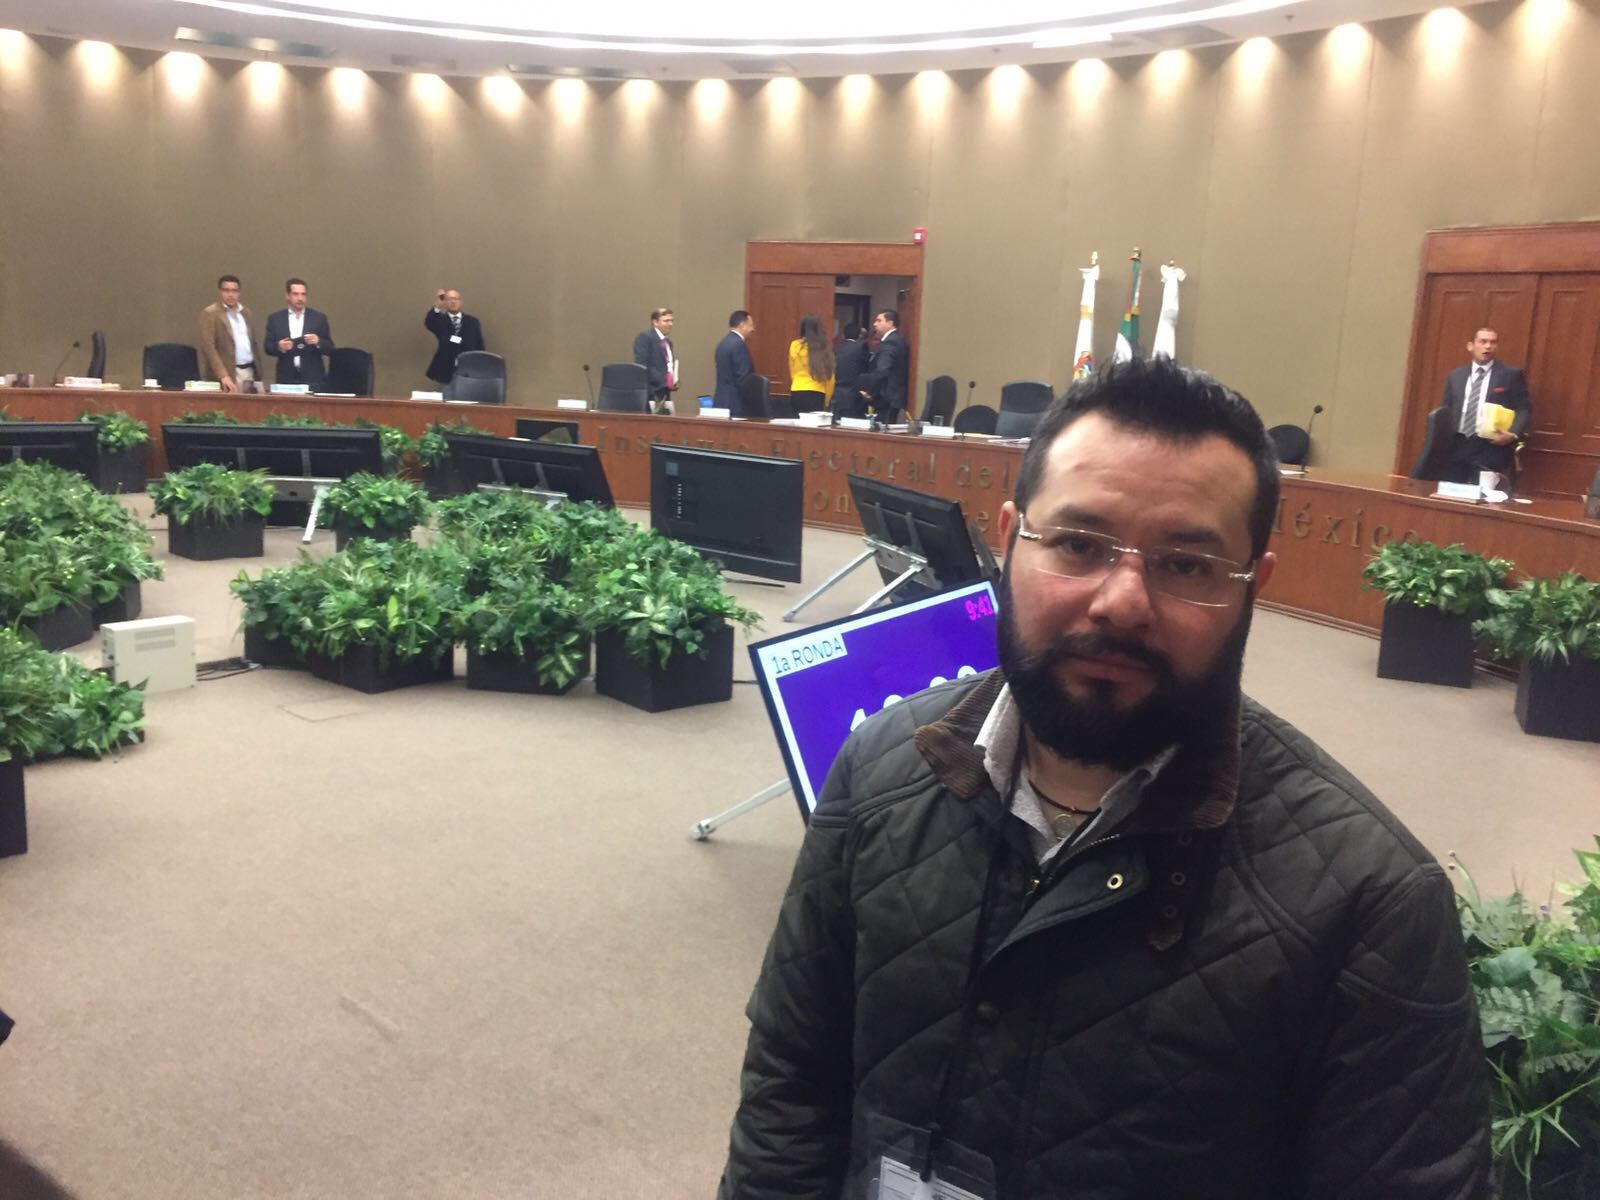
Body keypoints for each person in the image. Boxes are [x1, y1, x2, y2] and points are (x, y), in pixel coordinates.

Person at [718, 356, 1488, 1200]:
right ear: (1009, 539)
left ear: (1252, 591)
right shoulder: (879, 765)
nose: (1122, 601)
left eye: (1188, 566)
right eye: (1079, 545)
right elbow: (794, 1082)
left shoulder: (1372, 904)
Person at [1439, 326, 1532, 485]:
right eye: (1483, 341)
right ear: (1471, 346)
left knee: (1484, 495)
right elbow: (1445, 408)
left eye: (1492, 342)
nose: (1487, 346)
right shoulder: (1456, 375)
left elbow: (1524, 408)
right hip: (1457, 444)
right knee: (1451, 493)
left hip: (1489, 446)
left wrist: (1512, 434)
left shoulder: (1510, 375)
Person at [261, 278, 335, 389]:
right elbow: (268, 347)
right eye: (295, 294)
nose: (300, 298)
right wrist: (279, 346)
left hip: (313, 377)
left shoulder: (319, 318)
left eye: (303, 294)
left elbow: (330, 348)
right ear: (287, 296)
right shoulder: (275, 319)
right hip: (286, 376)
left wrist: (318, 341)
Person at [197, 275, 259, 393]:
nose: (230, 294)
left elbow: (253, 343)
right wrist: (223, 375)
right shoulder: (211, 313)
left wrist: (258, 373)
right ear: (220, 292)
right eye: (226, 290)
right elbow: (208, 347)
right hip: (228, 373)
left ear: (239, 293)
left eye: (234, 291)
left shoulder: (246, 313)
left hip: (249, 371)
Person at [424, 288, 485, 389]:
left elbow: (479, 345)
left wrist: (478, 368)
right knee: (446, 399)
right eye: (449, 299)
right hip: (446, 368)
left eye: (456, 299)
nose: (453, 302)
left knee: (466, 400)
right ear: (445, 302)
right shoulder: (440, 320)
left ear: (461, 302)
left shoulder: (472, 322)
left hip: (468, 368)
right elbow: (429, 322)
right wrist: (438, 305)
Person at [857, 308, 909, 422]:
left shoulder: (891, 342)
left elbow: (882, 370)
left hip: (886, 399)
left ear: (890, 323)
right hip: (891, 398)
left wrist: (869, 391)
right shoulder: (897, 340)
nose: (874, 324)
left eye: (879, 320)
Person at [632, 307, 678, 413]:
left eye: (672, 321)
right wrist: (665, 380)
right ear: (655, 322)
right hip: (650, 393)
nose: (670, 324)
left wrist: (673, 381)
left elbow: (667, 366)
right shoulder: (645, 338)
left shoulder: (668, 343)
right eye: (666, 321)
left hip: (665, 393)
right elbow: (642, 365)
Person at [788, 313, 836, 414]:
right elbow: (830, 377)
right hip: (817, 392)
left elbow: (792, 372)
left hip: (797, 390)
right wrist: (827, 401)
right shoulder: (824, 347)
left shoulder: (795, 345)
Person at [714, 310, 756, 416]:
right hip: (736, 403)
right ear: (742, 325)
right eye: (751, 325)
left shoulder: (723, 343)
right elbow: (743, 377)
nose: (753, 329)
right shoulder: (739, 345)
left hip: (721, 401)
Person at [831, 322, 871, 416]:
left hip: (837, 397)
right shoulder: (861, 347)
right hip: (854, 397)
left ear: (843, 335)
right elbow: (867, 368)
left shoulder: (837, 349)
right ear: (859, 335)